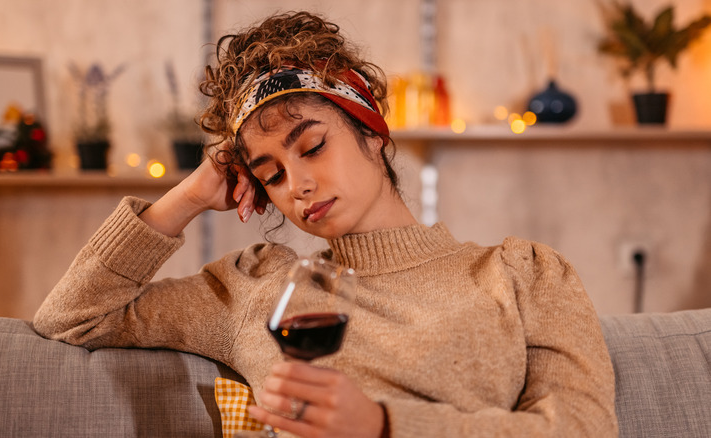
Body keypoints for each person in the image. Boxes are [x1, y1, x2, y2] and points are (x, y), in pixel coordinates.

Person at [33, 11, 618, 438]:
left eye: (311, 147)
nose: (297, 186)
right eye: (271, 175)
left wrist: (383, 425)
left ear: (371, 131)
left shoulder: (521, 275)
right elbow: (73, 316)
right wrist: (187, 196)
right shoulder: (260, 288)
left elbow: (583, 429)